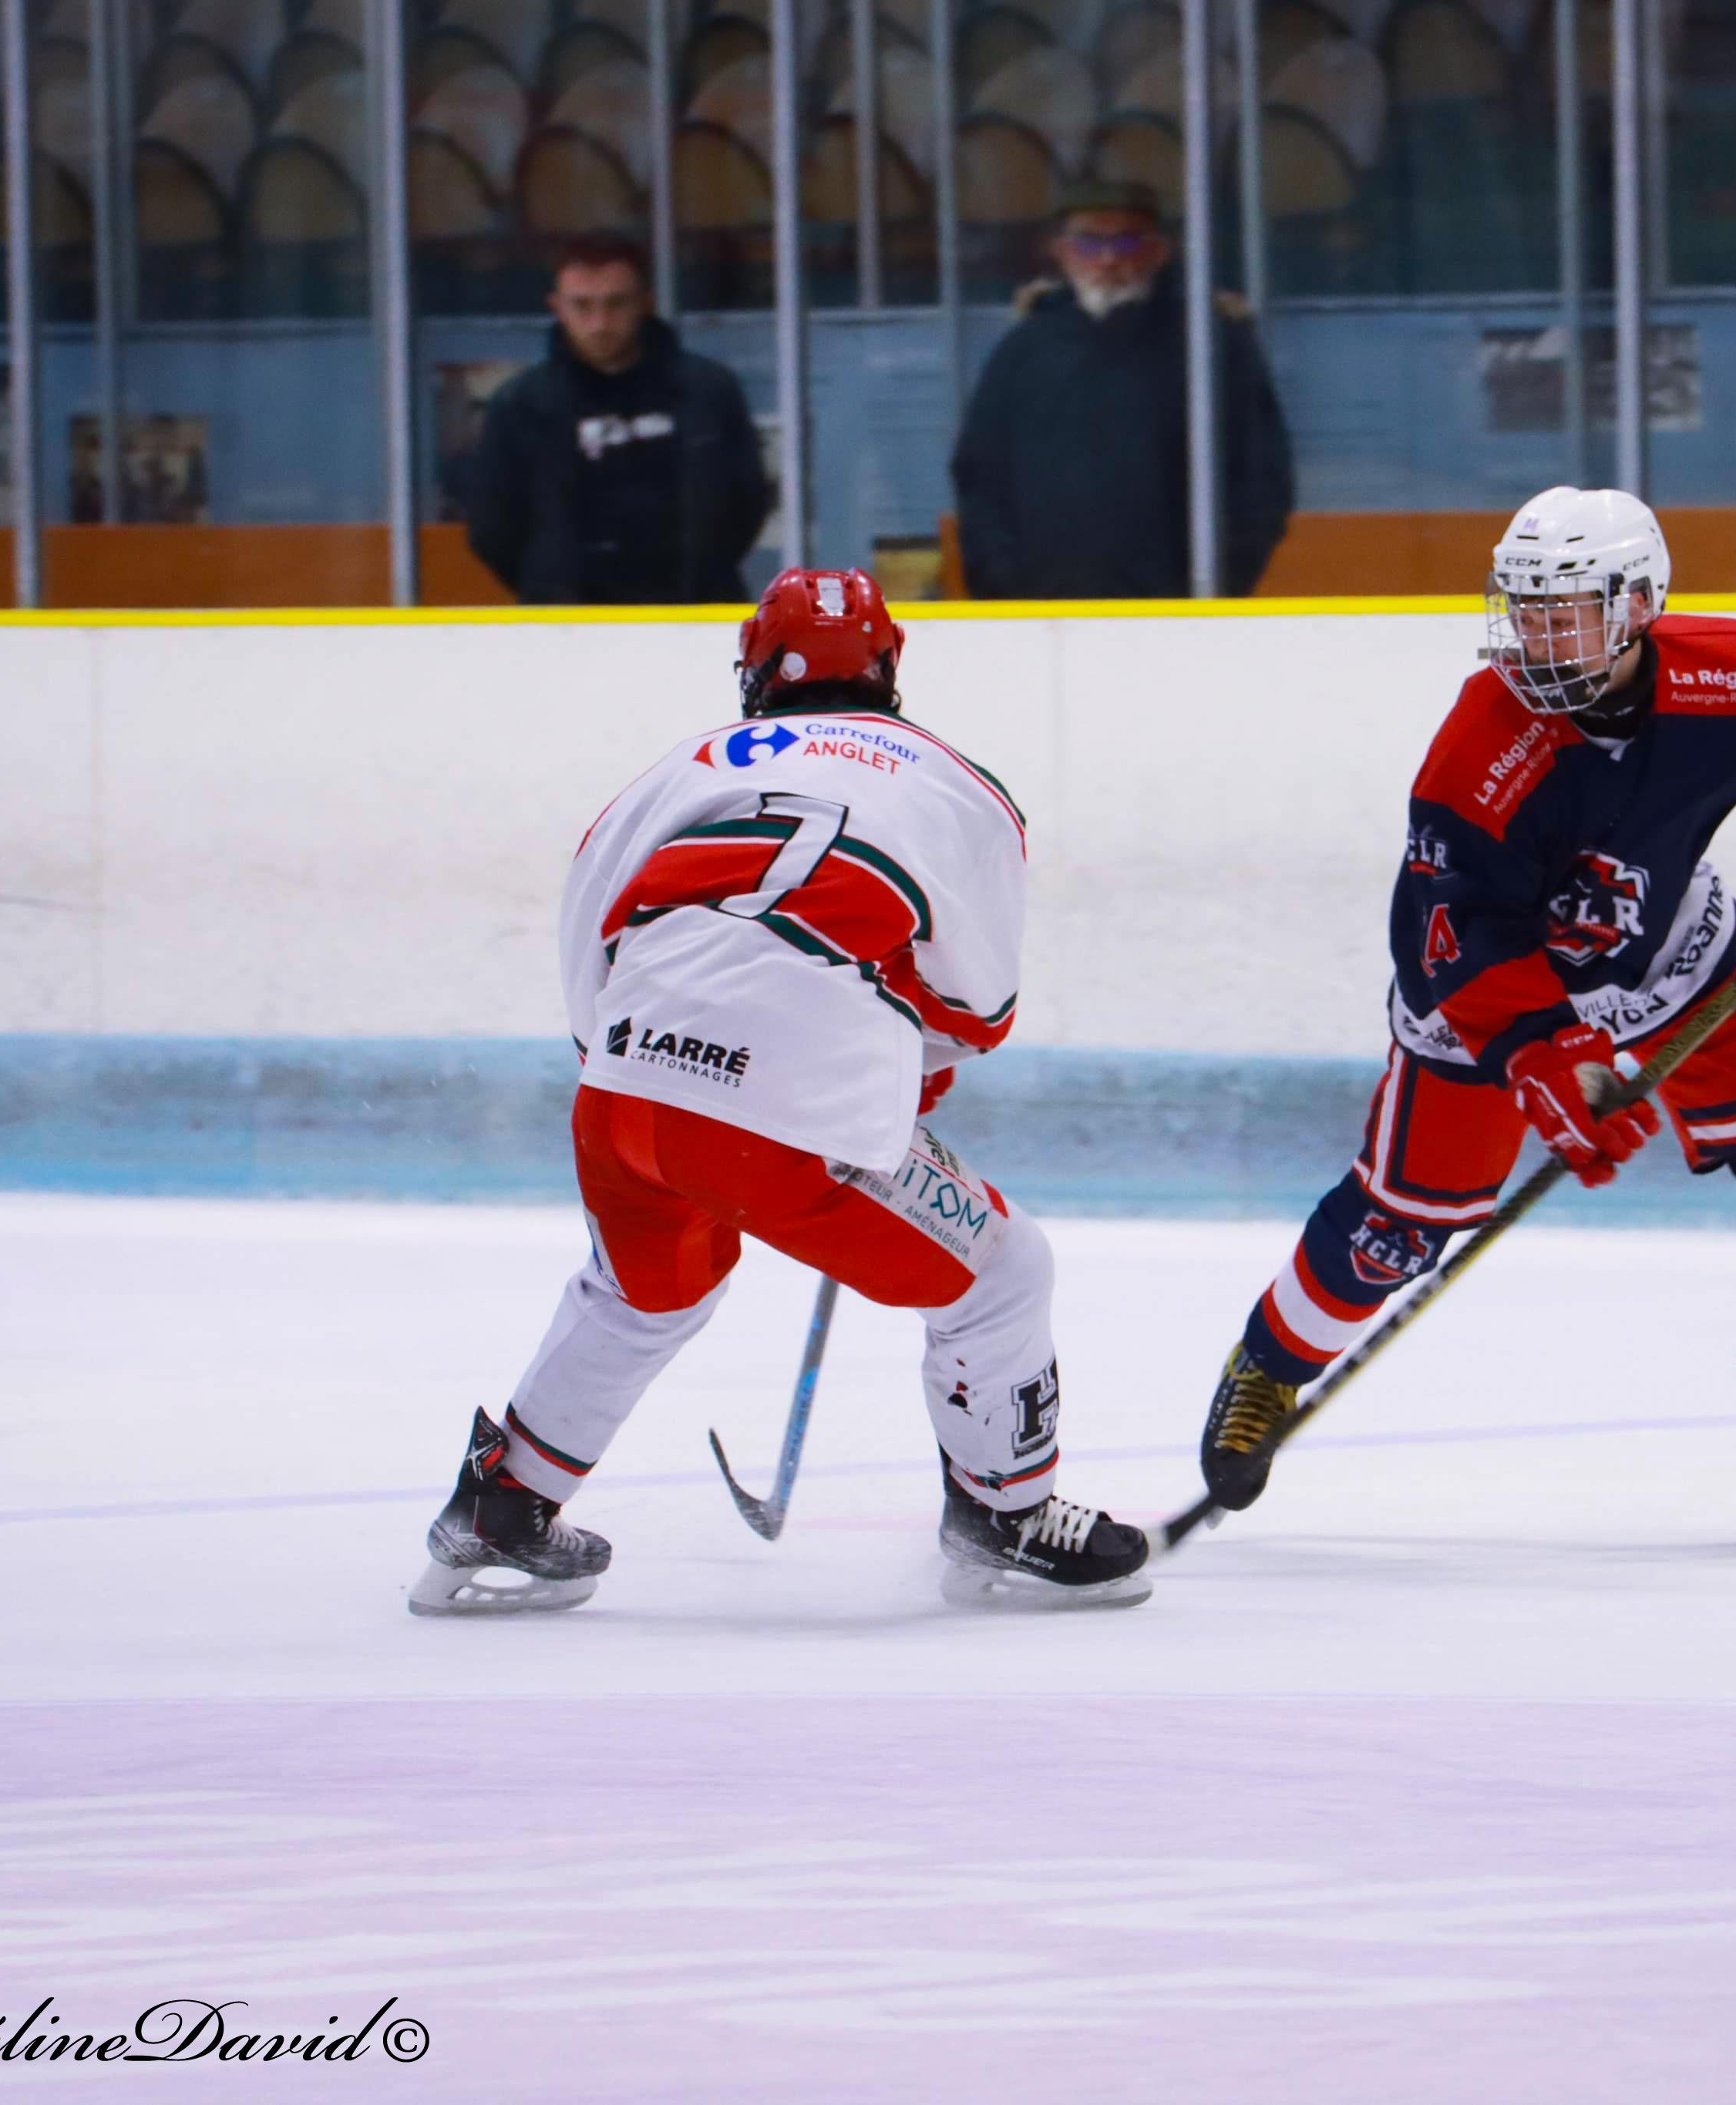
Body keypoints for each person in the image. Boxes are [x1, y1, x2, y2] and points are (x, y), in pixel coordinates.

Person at [1194, 488, 1736, 1539]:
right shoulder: (1480, 741)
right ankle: (1268, 1363)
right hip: (1493, 1003)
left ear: (1640, 604)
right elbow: (1450, 932)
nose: (1537, 636)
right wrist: (1540, 1052)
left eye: (1565, 612)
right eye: (1524, 610)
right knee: (1399, 1229)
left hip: (1670, 951)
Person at [410, 568, 1153, 1616]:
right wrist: (895, 1058)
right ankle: (1007, 1512)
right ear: (888, 668)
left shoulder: (675, 769)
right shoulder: (959, 784)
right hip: (784, 1106)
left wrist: (649, 1061)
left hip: (623, 1089)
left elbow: (589, 942)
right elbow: (980, 1005)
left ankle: (504, 1503)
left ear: (756, 673)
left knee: (644, 1291)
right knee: (1002, 1273)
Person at [950, 180, 1294, 600]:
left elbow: (1259, 477)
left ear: (1159, 251)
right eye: (1089, 243)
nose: (1109, 259)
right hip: (1042, 612)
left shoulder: (1210, 344)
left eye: (1127, 242)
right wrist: (1003, 583)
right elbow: (981, 479)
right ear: (1060, 251)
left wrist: (1217, 584)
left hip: (1177, 609)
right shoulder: (1025, 349)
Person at [465, 233, 772, 606]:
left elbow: (748, 498)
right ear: (557, 307)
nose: (599, 323)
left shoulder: (707, 392)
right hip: (569, 622)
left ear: (645, 302)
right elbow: (492, 526)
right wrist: (547, 585)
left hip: (692, 611)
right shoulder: (522, 405)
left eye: (615, 304)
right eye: (582, 306)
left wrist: (708, 570)